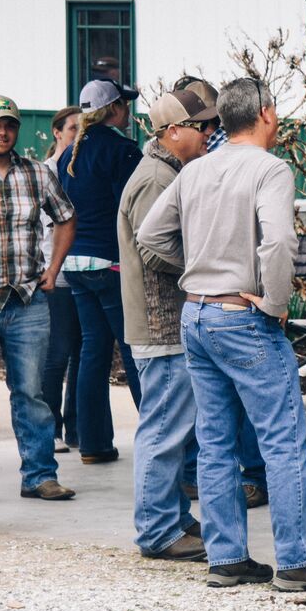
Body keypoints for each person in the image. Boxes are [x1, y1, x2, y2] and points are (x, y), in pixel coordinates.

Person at [137, 78, 306, 593]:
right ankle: (299, 561)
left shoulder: (195, 171)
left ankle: (227, 557)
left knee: (214, 444)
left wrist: (194, 268)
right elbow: (279, 241)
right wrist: (275, 303)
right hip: (243, 315)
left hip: (197, 315)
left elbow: (149, 235)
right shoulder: (270, 169)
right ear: (265, 114)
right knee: (282, 440)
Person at [0, 94, 77, 509]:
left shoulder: (38, 174)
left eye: (9, 125)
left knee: (33, 392)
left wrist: (53, 269)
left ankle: (40, 476)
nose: (2, 133)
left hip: (28, 300)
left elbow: (65, 216)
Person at [117, 88, 221, 562]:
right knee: (164, 430)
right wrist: (207, 267)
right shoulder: (157, 179)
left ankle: (173, 518)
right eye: (201, 126)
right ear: (172, 131)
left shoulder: (170, 171)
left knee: (174, 428)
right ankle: (158, 531)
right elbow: (154, 249)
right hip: (161, 324)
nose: (210, 132)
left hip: (168, 321)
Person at [58, 76, 144, 463]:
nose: (128, 110)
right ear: (113, 109)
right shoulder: (123, 151)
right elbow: (134, 212)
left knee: (93, 350)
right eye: (124, 104)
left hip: (75, 263)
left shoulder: (67, 156)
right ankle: (162, 441)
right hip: (110, 263)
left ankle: (92, 444)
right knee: (132, 349)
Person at [40, 104, 85, 449]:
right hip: (56, 276)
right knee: (58, 352)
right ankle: (51, 428)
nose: (77, 135)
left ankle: (77, 428)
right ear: (57, 132)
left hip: (83, 273)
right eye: (72, 129)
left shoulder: (81, 168)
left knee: (82, 352)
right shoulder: (46, 172)